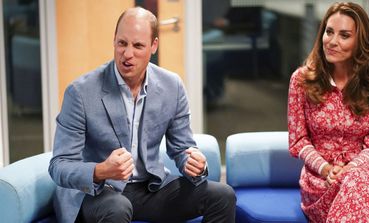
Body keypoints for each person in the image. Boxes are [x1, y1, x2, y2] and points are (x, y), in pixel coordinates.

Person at [49, 7, 236, 223]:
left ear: (153, 46)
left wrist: (192, 161)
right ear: (114, 41)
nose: (127, 54)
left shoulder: (171, 86)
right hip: (99, 192)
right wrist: (101, 170)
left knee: (223, 196)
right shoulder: (80, 92)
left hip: (150, 189)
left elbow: (182, 147)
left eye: (138, 46)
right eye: (122, 43)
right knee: (118, 207)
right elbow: (59, 165)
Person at [288, 2, 369, 222]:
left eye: (344, 35)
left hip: (364, 175)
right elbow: (298, 140)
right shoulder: (301, 80)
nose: (332, 42)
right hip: (319, 181)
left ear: (359, 42)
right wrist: (326, 169)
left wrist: (351, 169)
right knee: (354, 188)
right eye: (329, 32)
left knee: (356, 180)